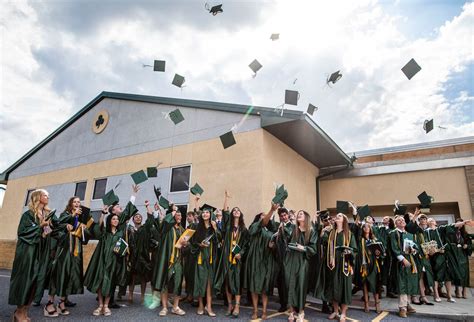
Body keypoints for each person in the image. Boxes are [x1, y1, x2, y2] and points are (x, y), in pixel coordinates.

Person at [84, 185, 139, 317]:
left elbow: (127, 212)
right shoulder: (105, 232)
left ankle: (107, 305)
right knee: (101, 280)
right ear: (111, 215)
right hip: (102, 259)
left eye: (117, 218)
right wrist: (103, 214)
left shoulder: (120, 230)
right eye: (113, 217)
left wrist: (133, 194)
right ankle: (101, 305)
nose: (116, 219)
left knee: (111, 281)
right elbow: (98, 229)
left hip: (115, 260)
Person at [9, 189, 53, 321]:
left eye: (48, 196)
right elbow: (23, 233)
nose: (47, 197)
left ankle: (25, 312)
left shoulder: (45, 214)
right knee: (25, 281)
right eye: (45, 195)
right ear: (37, 197)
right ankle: (19, 312)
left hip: (39, 252)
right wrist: (40, 227)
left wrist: (46, 230)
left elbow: (44, 233)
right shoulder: (28, 215)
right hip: (28, 253)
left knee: (34, 281)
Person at [48, 196, 93, 315]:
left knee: (69, 275)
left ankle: (62, 302)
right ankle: (50, 302)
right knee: (58, 273)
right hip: (64, 248)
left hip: (76, 250)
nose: (77, 203)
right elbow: (58, 225)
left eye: (79, 202)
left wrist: (83, 229)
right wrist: (71, 219)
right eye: (75, 202)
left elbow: (87, 234)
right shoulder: (65, 214)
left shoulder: (82, 217)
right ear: (71, 204)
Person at [214, 191, 250, 318]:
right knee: (228, 283)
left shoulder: (244, 230)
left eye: (238, 210)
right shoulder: (227, 229)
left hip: (237, 260)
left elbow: (246, 245)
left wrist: (241, 253)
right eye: (234, 210)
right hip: (227, 259)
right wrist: (226, 198)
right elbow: (224, 212)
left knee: (237, 283)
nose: (235, 211)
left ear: (240, 214)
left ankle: (237, 306)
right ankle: (230, 305)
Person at [245, 203, 279, 320]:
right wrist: (272, 210)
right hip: (255, 261)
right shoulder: (255, 227)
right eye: (262, 216)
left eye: (266, 216)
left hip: (266, 261)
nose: (264, 217)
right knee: (254, 287)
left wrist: (272, 246)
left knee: (264, 288)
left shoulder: (271, 232)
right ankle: (255, 310)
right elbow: (262, 223)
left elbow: (275, 248)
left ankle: (264, 311)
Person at [152, 205, 188, 316]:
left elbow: (186, 247)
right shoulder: (167, 228)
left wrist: (185, 245)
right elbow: (164, 224)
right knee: (164, 284)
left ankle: (176, 307)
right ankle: (164, 308)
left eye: (180, 215)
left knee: (177, 284)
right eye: (176, 214)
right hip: (167, 261)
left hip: (178, 261)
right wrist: (170, 213)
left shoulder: (183, 230)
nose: (179, 216)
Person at [284, 210, 317, 322]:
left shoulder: (311, 231)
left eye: (301, 214)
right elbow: (286, 240)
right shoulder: (293, 229)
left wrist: (303, 248)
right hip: (291, 260)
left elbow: (313, 249)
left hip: (303, 262)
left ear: (306, 217)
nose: (299, 215)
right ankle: (292, 311)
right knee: (290, 285)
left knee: (301, 286)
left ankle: (301, 312)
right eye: (298, 214)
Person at [326, 213, 358, 322]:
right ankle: (335, 311)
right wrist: (331, 257)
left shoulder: (349, 234)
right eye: (336, 216)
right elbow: (330, 247)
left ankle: (343, 313)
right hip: (334, 264)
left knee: (345, 289)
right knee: (334, 288)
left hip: (345, 264)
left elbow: (354, 249)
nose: (336, 217)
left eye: (339, 216)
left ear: (344, 220)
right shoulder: (332, 233)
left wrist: (349, 251)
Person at [190, 204, 220, 316]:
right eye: (203, 212)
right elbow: (192, 243)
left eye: (207, 212)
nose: (205, 214)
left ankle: (209, 306)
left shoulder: (213, 227)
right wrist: (200, 245)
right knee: (200, 282)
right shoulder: (197, 227)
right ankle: (201, 305)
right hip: (200, 258)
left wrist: (216, 228)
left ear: (211, 214)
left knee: (209, 283)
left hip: (211, 258)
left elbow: (219, 241)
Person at [390, 215, 419, 318]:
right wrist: (402, 259)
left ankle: (407, 304)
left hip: (410, 259)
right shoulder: (393, 233)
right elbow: (394, 247)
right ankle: (402, 307)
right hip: (400, 261)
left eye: (402, 220)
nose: (401, 221)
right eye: (398, 220)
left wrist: (414, 250)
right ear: (395, 224)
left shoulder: (409, 235)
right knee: (402, 282)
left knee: (409, 282)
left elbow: (415, 246)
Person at [127, 201, 154, 304]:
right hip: (133, 256)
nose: (138, 218)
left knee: (143, 278)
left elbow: (151, 219)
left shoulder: (145, 228)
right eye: (136, 217)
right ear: (133, 219)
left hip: (144, 256)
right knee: (132, 277)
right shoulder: (130, 229)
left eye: (139, 217)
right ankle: (130, 295)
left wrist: (147, 206)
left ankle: (142, 296)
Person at [405, 211, 434, 305]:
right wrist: (415, 216)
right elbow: (410, 227)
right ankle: (413, 296)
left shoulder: (419, 230)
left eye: (413, 216)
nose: (413, 217)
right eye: (410, 216)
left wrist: (430, 250)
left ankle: (423, 296)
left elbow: (424, 241)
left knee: (421, 275)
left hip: (422, 255)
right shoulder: (408, 229)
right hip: (413, 255)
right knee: (414, 275)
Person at [357, 223, 383, 313]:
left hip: (374, 265)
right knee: (365, 284)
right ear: (362, 229)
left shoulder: (374, 239)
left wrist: (378, 254)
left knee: (375, 284)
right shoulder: (360, 240)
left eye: (368, 226)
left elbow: (380, 253)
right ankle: (366, 304)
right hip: (364, 265)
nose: (366, 228)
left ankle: (377, 304)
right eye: (364, 227)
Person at [312, 211, 333, 314]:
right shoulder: (321, 229)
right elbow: (318, 240)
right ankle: (325, 304)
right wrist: (323, 231)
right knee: (324, 282)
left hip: (333, 260)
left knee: (332, 283)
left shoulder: (335, 229)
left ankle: (332, 303)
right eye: (325, 220)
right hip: (324, 260)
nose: (328, 222)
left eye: (329, 219)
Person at [273, 207, 293, 312]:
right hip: (279, 258)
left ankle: (291, 304)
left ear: (288, 215)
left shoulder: (293, 226)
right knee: (281, 282)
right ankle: (283, 303)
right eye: (281, 216)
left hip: (289, 258)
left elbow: (291, 236)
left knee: (289, 282)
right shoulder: (278, 227)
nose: (283, 217)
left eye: (285, 215)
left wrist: (283, 228)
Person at [453, 218, 473, 298]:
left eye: (461, 223)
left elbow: (471, 245)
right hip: (455, 255)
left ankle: (464, 290)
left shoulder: (465, 234)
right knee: (456, 272)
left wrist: (467, 246)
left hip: (463, 255)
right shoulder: (452, 233)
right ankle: (457, 289)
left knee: (465, 273)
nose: (459, 225)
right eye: (458, 223)